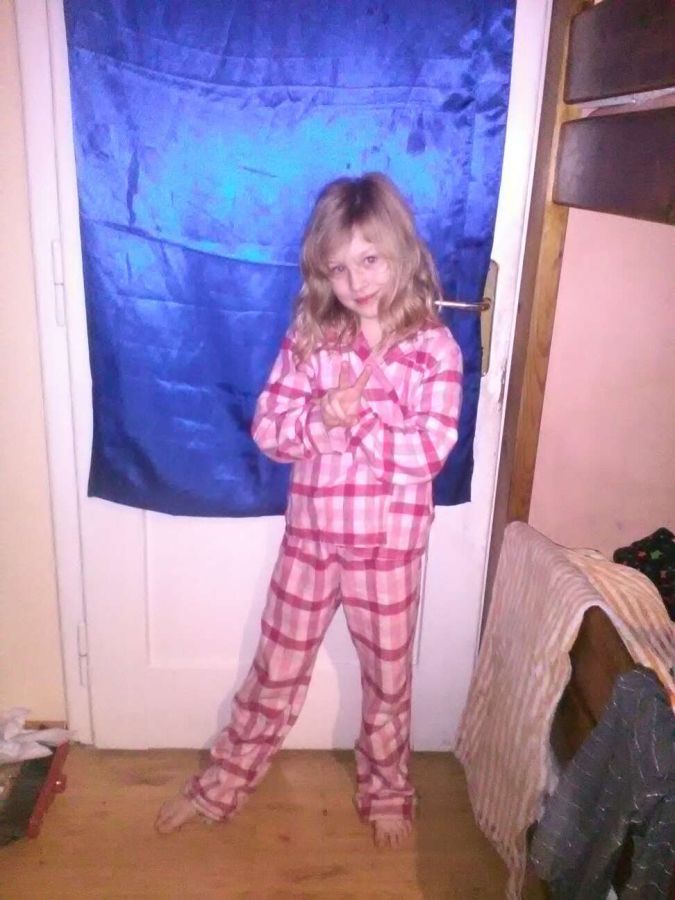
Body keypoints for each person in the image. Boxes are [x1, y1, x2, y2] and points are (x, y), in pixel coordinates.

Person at [156, 172, 463, 848]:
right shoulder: (311, 340)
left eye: (370, 259)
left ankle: (387, 790)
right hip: (312, 542)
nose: (356, 281)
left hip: (389, 549)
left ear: (401, 251)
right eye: (339, 268)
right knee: (276, 670)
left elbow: (428, 451)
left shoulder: (433, 349)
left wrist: (359, 421)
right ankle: (222, 784)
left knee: (388, 683)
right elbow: (269, 430)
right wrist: (321, 418)